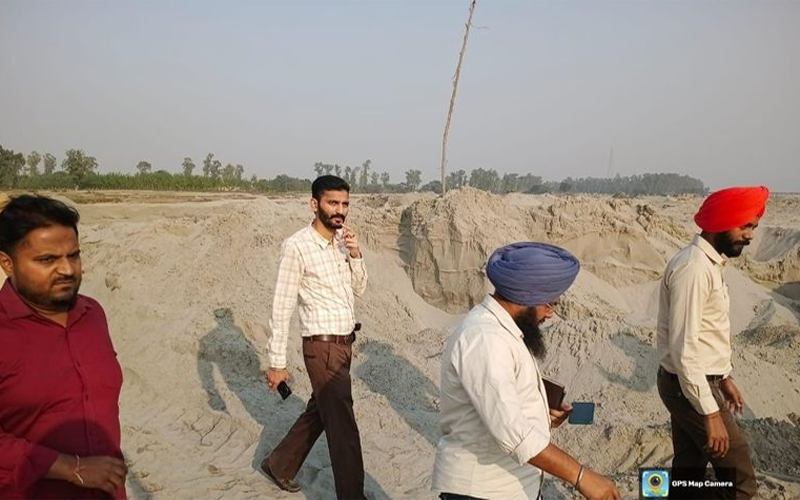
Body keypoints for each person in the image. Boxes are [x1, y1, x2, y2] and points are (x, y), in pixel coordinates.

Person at [433, 242, 620, 500]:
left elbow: (500, 404)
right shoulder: (485, 338)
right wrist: (581, 476)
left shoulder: (504, 330)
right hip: (483, 491)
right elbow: (514, 434)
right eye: (549, 304)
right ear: (525, 298)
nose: (550, 314)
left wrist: (542, 414)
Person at [0, 195, 127, 499]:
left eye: (74, 255)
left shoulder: (92, 314)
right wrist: (69, 467)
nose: (68, 270)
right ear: (7, 263)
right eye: (48, 260)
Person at [657, 186, 769, 500]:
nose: (750, 236)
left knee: (688, 472)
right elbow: (684, 348)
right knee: (740, 481)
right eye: (745, 226)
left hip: (693, 382)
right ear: (722, 222)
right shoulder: (693, 269)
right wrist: (710, 413)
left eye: (753, 228)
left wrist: (725, 376)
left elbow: (707, 333)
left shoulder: (707, 264)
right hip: (691, 386)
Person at [261, 175, 368, 499]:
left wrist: (356, 254)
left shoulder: (340, 244)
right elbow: (282, 307)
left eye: (344, 204)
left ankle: (279, 465)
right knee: (344, 428)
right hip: (322, 349)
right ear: (314, 204)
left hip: (344, 345)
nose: (340, 210)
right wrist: (277, 363)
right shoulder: (297, 247)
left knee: (321, 412)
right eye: (332, 203)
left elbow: (359, 289)